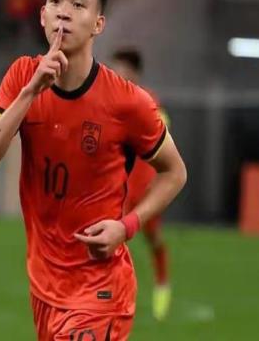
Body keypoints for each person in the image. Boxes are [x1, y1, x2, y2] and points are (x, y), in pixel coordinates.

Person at [0, 0, 186, 340]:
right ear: (42, 15)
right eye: (55, 1)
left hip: (101, 290)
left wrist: (126, 227)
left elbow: (175, 172)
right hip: (45, 288)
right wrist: (30, 93)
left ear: (98, 24)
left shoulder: (127, 102)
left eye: (78, 4)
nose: (64, 12)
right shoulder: (21, 77)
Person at [111, 47, 172, 321]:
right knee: (109, 242)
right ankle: (111, 296)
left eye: (122, 69)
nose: (116, 74)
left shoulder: (148, 103)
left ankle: (162, 283)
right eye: (115, 68)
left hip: (145, 189)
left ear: (134, 73)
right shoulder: (108, 99)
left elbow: (162, 143)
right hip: (116, 188)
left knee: (153, 239)